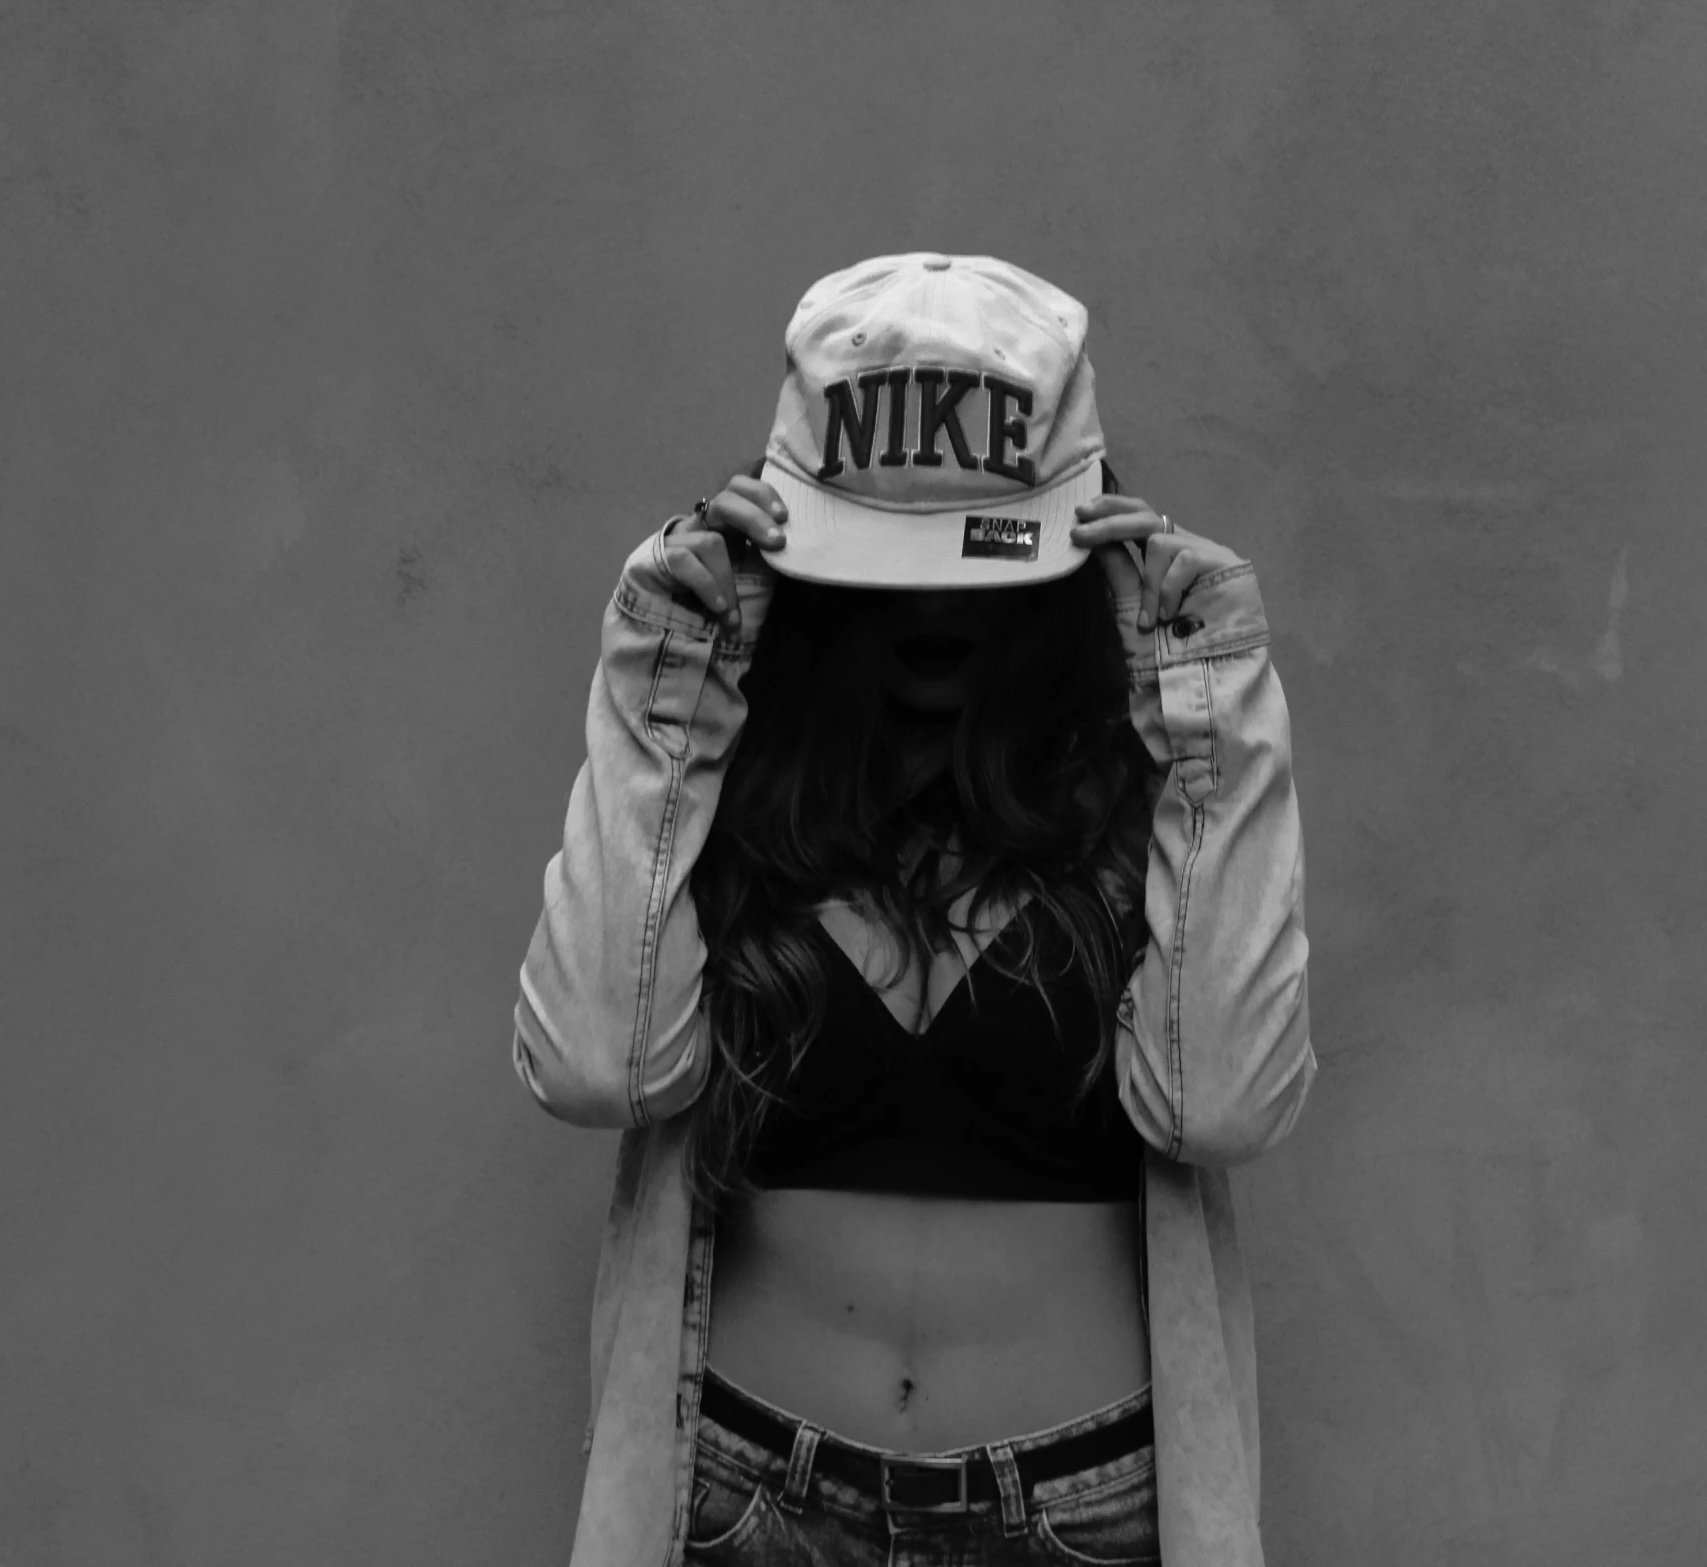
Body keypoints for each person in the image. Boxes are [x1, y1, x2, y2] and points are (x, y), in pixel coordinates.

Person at [515, 252, 1317, 1566]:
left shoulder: (1144, 775)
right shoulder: (720, 787)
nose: (937, 607)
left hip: (1081, 1515)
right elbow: (593, 1067)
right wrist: (660, 681)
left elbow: (1218, 1103)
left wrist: (1212, 702)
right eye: (891, 568)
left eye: (978, 567)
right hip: (746, 1503)